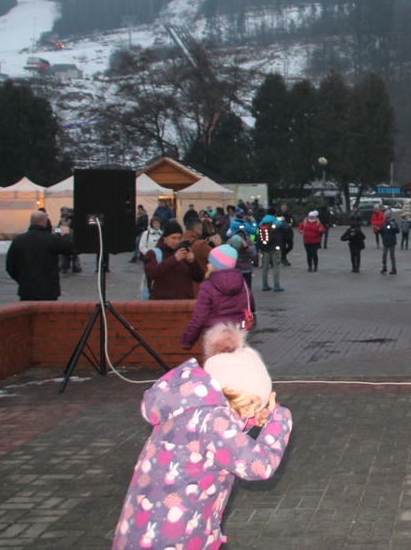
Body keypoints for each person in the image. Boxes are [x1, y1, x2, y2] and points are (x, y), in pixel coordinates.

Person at [112, 325, 291, 550]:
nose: (251, 411)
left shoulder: (192, 407)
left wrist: (252, 420)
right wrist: (279, 420)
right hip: (174, 537)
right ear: (230, 387)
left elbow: (218, 437)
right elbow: (259, 465)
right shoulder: (213, 420)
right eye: (251, 403)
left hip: (147, 530)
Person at [180, 245, 256, 349]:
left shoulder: (207, 286)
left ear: (217, 265)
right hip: (238, 336)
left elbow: (199, 317)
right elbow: (251, 306)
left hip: (214, 338)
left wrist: (187, 341)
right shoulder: (243, 284)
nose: (207, 265)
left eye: (210, 262)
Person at [5, 210, 76, 301]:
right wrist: (67, 234)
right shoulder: (52, 240)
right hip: (48, 290)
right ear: (44, 222)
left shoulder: (18, 240)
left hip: (26, 291)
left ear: (31, 222)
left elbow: (10, 267)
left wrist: (22, 280)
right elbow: (73, 248)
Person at [142, 221, 206, 300]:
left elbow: (200, 277)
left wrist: (193, 262)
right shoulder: (153, 254)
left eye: (179, 238)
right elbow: (151, 273)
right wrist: (174, 259)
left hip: (184, 303)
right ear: (165, 238)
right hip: (161, 304)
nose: (177, 241)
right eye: (173, 238)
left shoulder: (184, 253)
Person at [256, 214, 285, 292]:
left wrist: (261, 248)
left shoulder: (261, 224)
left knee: (265, 267)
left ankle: (265, 285)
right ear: (274, 215)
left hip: (265, 248)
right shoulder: (277, 224)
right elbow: (286, 228)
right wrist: (282, 220)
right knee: (276, 266)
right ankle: (276, 285)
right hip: (275, 248)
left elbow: (258, 237)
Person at [57, 207, 82, 274]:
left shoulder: (65, 220)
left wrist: (59, 234)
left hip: (65, 238)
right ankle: (75, 267)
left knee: (66, 254)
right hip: (71, 238)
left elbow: (58, 228)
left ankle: (65, 267)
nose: (66, 213)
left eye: (68, 212)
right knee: (73, 254)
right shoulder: (67, 220)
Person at [380, 209, 400, 274]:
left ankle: (394, 268)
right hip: (385, 241)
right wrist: (379, 230)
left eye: (384, 216)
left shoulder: (393, 222)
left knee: (392, 255)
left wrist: (394, 227)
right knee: (384, 254)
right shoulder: (384, 223)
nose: (383, 217)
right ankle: (384, 266)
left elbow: (397, 231)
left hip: (391, 241)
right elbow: (384, 230)